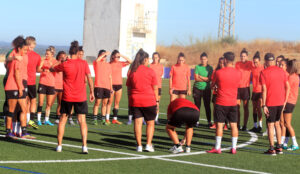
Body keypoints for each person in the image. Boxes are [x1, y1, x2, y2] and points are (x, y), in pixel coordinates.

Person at [52, 41, 94, 153]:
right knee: (82, 121)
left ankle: (59, 146)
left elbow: (52, 68)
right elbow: (89, 78)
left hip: (67, 97)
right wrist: (92, 92)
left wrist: (60, 60)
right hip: (80, 96)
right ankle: (84, 146)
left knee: (62, 120)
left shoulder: (65, 64)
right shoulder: (84, 63)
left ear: (70, 52)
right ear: (78, 52)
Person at [207, 52, 241, 154]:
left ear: (225, 60)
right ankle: (234, 148)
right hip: (233, 102)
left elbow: (212, 86)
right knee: (234, 125)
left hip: (221, 102)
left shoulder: (218, 72)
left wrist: (216, 86)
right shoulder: (238, 73)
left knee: (219, 125)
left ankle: (218, 147)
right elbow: (238, 85)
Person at [126, 49, 158, 152]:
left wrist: (130, 100)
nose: (149, 61)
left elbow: (129, 88)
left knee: (137, 123)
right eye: (148, 59)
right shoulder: (150, 71)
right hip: (149, 100)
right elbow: (155, 88)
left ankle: (139, 145)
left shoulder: (132, 72)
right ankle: (148, 144)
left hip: (136, 100)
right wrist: (157, 101)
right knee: (150, 123)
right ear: (144, 60)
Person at [4, 36, 34, 139]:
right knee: (11, 110)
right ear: (19, 48)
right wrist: (20, 87)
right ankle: (8, 131)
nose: (26, 51)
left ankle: (24, 131)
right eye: (25, 49)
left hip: (19, 84)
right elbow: (16, 73)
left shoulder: (23, 56)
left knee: (24, 108)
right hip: (13, 86)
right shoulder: (16, 57)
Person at [261, 53, 290, 155]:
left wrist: (264, 105)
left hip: (270, 102)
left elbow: (264, 90)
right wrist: (285, 101)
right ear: (273, 61)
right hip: (280, 102)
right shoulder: (281, 71)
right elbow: (288, 86)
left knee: (270, 125)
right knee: (277, 124)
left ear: (265, 61)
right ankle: (279, 147)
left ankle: (272, 148)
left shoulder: (264, 72)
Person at [106, 50, 132, 125]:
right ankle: (107, 119)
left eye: (118, 57)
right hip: (111, 85)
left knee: (117, 103)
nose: (117, 58)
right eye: (116, 56)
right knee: (109, 102)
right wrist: (110, 87)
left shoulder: (121, 63)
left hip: (119, 85)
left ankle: (114, 119)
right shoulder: (109, 64)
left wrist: (121, 55)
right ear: (113, 56)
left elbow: (130, 61)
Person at [36, 48, 57, 126]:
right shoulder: (43, 61)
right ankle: (38, 119)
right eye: (45, 54)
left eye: (47, 54)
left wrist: (51, 70)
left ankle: (46, 120)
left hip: (51, 84)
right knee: (40, 102)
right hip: (43, 83)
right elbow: (37, 69)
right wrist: (43, 70)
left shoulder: (55, 62)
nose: (46, 55)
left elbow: (58, 70)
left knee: (49, 104)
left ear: (52, 55)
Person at [282, 59, 299, 151]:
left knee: (287, 124)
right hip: (292, 102)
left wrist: (284, 102)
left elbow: (287, 90)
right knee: (286, 123)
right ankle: (285, 142)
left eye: (287, 66)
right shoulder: (295, 76)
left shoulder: (291, 77)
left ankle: (295, 143)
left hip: (289, 102)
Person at [92, 50, 112, 125]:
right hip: (99, 86)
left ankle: (103, 120)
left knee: (104, 104)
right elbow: (97, 60)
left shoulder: (109, 65)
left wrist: (111, 88)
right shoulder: (96, 63)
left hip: (106, 87)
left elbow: (110, 77)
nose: (104, 56)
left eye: (105, 56)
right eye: (102, 55)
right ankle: (95, 119)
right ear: (99, 55)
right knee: (97, 102)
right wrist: (104, 54)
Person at [193, 52, 213, 127]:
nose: (203, 61)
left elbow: (209, 80)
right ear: (200, 59)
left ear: (207, 59)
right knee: (197, 106)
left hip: (206, 89)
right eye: (202, 59)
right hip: (197, 88)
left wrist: (200, 77)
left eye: (204, 59)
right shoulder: (197, 67)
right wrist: (205, 79)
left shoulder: (210, 68)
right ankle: (196, 121)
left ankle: (209, 121)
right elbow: (196, 78)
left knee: (207, 106)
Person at [235, 48, 253, 131]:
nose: (243, 57)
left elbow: (256, 68)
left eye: (244, 56)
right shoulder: (237, 64)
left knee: (246, 108)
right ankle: (237, 124)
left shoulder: (250, 63)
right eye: (241, 56)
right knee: (237, 107)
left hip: (245, 88)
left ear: (247, 57)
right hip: (237, 88)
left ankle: (245, 125)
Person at [25, 36, 40, 129]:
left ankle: (26, 120)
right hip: (31, 82)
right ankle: (31, 120)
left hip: (23, 81)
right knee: (33, 101)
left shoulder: (23, 54)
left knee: (25, 102)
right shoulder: (37, 56)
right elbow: (38, 70)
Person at [210, 57, 228, 130]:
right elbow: (212, 83)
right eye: (220, 63)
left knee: (225, 109)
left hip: (225, 94)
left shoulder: (228, 71)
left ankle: (226, 124)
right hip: (216, 93)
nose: (222, 64)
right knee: (215, 109)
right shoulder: (215, 71)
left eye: (223, 63)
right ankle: (215, 123)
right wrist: (213, 87)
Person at [249, 51, 264, 133]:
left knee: (259, 109)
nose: (255, 63)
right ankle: (255, 126)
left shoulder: (262, 68)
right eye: (254, 62)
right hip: (254, 91)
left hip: (260, 91)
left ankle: (260, 126)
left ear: (260, 61)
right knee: (254, 109)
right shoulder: (253, 68)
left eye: (256, 62)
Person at [149, 52, 164, 125]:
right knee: (149, 103)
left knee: (157, 104)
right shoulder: (149, 66)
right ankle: (148, 118)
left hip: (158, 87)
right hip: (150, 87)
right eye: (154, 57)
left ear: (159, 58)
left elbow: (160, 75)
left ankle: (156, 119)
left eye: (156, 57)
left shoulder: (161, 66)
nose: (155, 59)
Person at [53, 51, 67, 124]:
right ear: (58, 56)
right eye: (61, 56)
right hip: (54, 85)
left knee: (60, 103)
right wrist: (59, 61)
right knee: (50, 103)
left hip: (62, 86)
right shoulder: (55, 62)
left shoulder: (65, 65)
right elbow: (52, 67)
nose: (62, 58)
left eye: (64, 57)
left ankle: (57, 117)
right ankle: (46, 118)